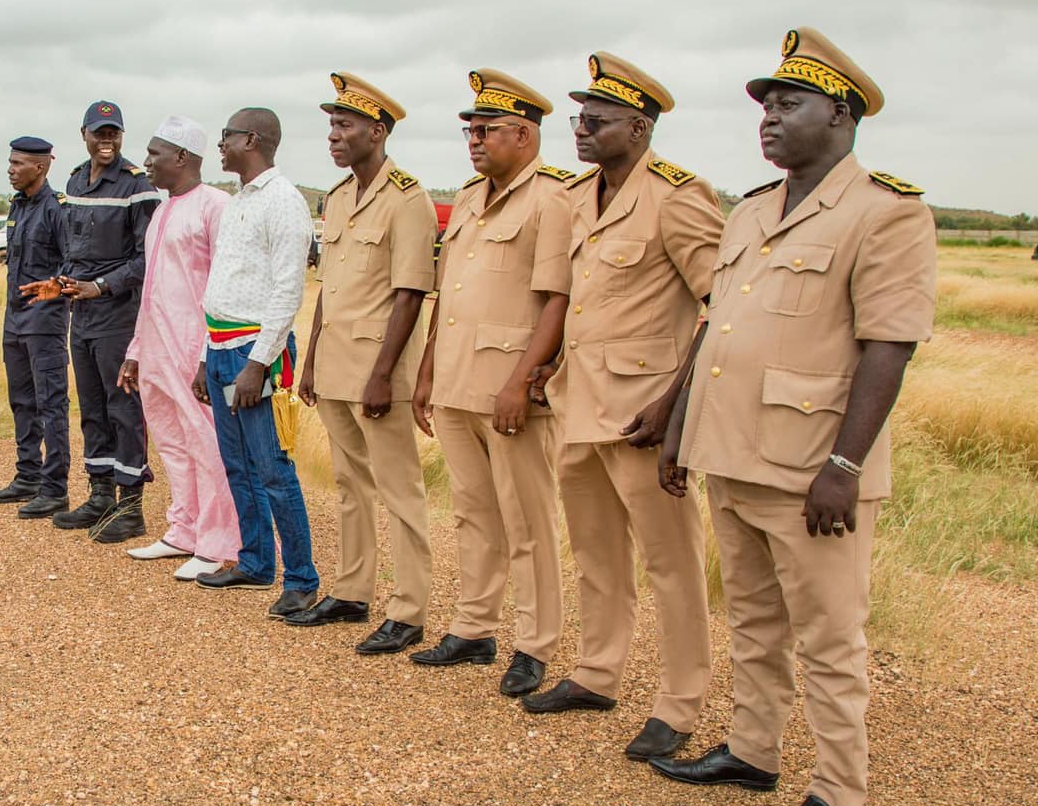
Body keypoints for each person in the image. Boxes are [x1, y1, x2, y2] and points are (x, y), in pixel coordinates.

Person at [651, 28, 936, 806]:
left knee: (831, 637)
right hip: (732, 452)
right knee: (753, 617)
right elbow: (717, 327)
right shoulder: (750, 209)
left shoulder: (886, 213)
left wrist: (843, 466)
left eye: (788, 104)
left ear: (840, 116)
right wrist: (680, 430)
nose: (769, 119)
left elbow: (890, 344)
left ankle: (839, 792)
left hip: (810, 465)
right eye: (765, 107)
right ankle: (752, 750)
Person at [520, 53, 724, 765]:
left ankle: (680, 702)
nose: (580, 129)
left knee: (672, 565)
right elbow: (573, 300)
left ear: (639, 127)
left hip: (644, 412)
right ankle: (597, 673)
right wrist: (544, 367)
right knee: (597, 553)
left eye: (597, 121)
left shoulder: (678, 196)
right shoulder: (577, 197)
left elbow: (718, 309)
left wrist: (676, 406)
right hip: (580, 403)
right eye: (579, 117)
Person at [409, 70, 574, 697]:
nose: (474, 141)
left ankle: (534, 644)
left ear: (526, 137)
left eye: (487, 131)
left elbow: (558, 299)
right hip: (455, 382)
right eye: (470, 131)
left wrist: (523, 381)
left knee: (527, 521)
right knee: (475, 514)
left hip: (509, 390)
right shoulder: (473, 197)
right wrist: (427, 374)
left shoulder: (551, 199)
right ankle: (474, 628)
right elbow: (446, 297)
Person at [288, 74, 437, 656]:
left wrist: (382, 374)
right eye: (330, 125)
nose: (333, 135)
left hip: (379, 371)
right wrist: (313, 356)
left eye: (344, 125)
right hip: (336, 366)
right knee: (350, 485)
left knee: (400, 490)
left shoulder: (409, 198)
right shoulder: (340, 196)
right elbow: (330, 287)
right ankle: (352, 591)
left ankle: (410, 609)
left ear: (377, 131)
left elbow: (410, 292)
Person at [196, 110, 318, 614]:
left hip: (256, 354)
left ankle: (301, 579)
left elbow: (289, 290)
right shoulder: (237, 201)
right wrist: (207, 358)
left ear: (251, 140)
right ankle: (254, 562)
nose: (219, 145)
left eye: (225, 137)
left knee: (272, 467)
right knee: (237, 463)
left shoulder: (284, 201)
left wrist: (259, 364)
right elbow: (225, 284)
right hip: (221, 348)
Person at [117, 117, 238, 575]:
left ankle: (217, 543)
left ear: (182, 158)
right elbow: (150, 289)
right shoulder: (162, 211)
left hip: (194, 351)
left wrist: (210, 355)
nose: (146, 162)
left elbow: (225, 288)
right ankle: (183, 530)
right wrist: (135, 349)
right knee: (171, 442)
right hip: (156, 349)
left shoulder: (215, 206)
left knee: (207, 445)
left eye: (155, 154)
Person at [52, 100, 160, 537]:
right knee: (92, 407)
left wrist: (101, 286)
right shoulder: (76, 179)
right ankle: (100, 496)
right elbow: (72, 244)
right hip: (83, 314)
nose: (107, 140)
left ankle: (130, 508)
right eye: (99, 132)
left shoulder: (139, 185)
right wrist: (64, 281)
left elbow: (146, 258)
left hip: (119, 316)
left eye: (114, 132)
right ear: (84, 134)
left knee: (124, 409)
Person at [0, 136, 73, 518]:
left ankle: (55, 487)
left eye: (17, 164)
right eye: (10, 162)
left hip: (45, 322)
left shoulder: (57, 209)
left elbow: (73, 263)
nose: (10, 169)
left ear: (40, 167)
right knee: (21, 401)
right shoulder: (18, 206)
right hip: (15, 320)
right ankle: (27, 474)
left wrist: (56, 285)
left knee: (51, 404)